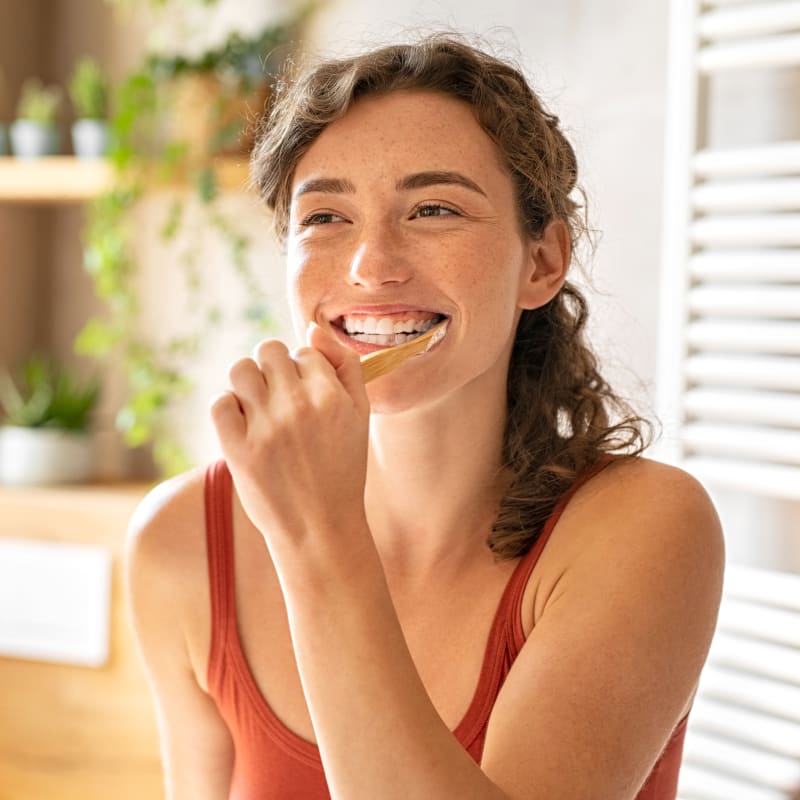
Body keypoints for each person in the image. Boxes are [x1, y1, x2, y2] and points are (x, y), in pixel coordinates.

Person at [125, 33, 725, 800]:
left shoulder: (644, 529)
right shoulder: (181, 540)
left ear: (541, 263)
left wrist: (318, 535)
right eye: (325, 218)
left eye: (434, 208)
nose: (371, 264)